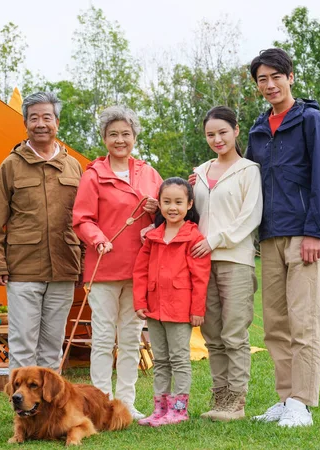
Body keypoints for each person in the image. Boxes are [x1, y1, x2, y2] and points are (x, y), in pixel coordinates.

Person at [247, 48, 320, 427]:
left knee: (304, 321)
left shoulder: (311, 120)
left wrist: (315, 231)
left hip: (304, 235)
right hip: (269, 236)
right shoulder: (256, 129)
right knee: (275, 325)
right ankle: (285, 399)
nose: (269, 85)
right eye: (262, 80)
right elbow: (245, 178)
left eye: (275, 77)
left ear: (291, 77)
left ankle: (301, 401)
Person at [72, 105, 162, 420]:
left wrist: (155, 210)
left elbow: (169, 215)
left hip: (140, 269)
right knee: (102, 337)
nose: (120, 139)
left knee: (130, 337)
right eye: (113, 134)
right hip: (104, 269)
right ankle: (99, 403)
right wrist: (98, 239)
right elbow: (81, 219)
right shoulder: (94, 175)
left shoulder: (150, 173)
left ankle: (125, 403)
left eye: (125, 133)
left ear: (134, 136)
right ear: (104, 138)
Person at [0, 91, 83, 370]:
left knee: (53, 345)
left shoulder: (73, 166)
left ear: (57, 123)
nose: (41, 123)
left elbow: (85, 219)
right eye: (34, 118)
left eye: (47, 117)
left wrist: (83, 264)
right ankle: (23, 410)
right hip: (22, 268)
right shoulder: (11, 165)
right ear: (25, 124)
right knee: (23, 343)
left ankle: (50, 410)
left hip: (64, 266)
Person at [191, 106, 263, 421]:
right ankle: (220, 400)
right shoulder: (200, 172)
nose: (217, 139)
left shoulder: (249, 170)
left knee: (234, 332)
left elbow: (251, 216)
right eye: (210, 134)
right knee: (212, 334)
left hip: (235, 259)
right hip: (201, 262)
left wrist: (216, 239)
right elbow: (190, 212)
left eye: (222, 132)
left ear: (236, 130)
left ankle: (237, 403)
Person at [133, 177, 211, 427]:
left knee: (179, 360)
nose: (172, 207)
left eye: (178, 202)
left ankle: (179, 410)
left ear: (189, 204)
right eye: (166, 202)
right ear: (160, 205)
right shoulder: (153, 237)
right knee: (161, 360)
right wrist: (140, 302)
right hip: (154, 309)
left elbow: (200, 278)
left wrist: (197, 310)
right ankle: (160, 409)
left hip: (180, 310)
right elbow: (140, 272)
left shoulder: (194, 238)